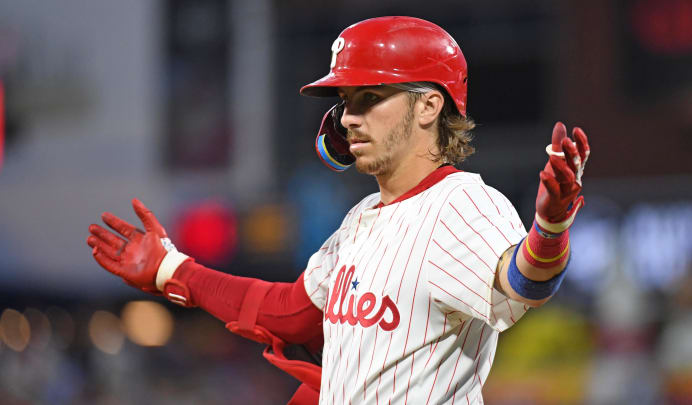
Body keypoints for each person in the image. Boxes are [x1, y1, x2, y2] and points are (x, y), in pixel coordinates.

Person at [87, 16, 590, 405]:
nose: (348, 117)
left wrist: (550, 226)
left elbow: (523, 283)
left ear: (429, 107)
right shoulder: (361, 219)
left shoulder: (462, 205)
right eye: (346, 101)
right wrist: (172, 270)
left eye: (370, 97)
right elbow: (291, 313)